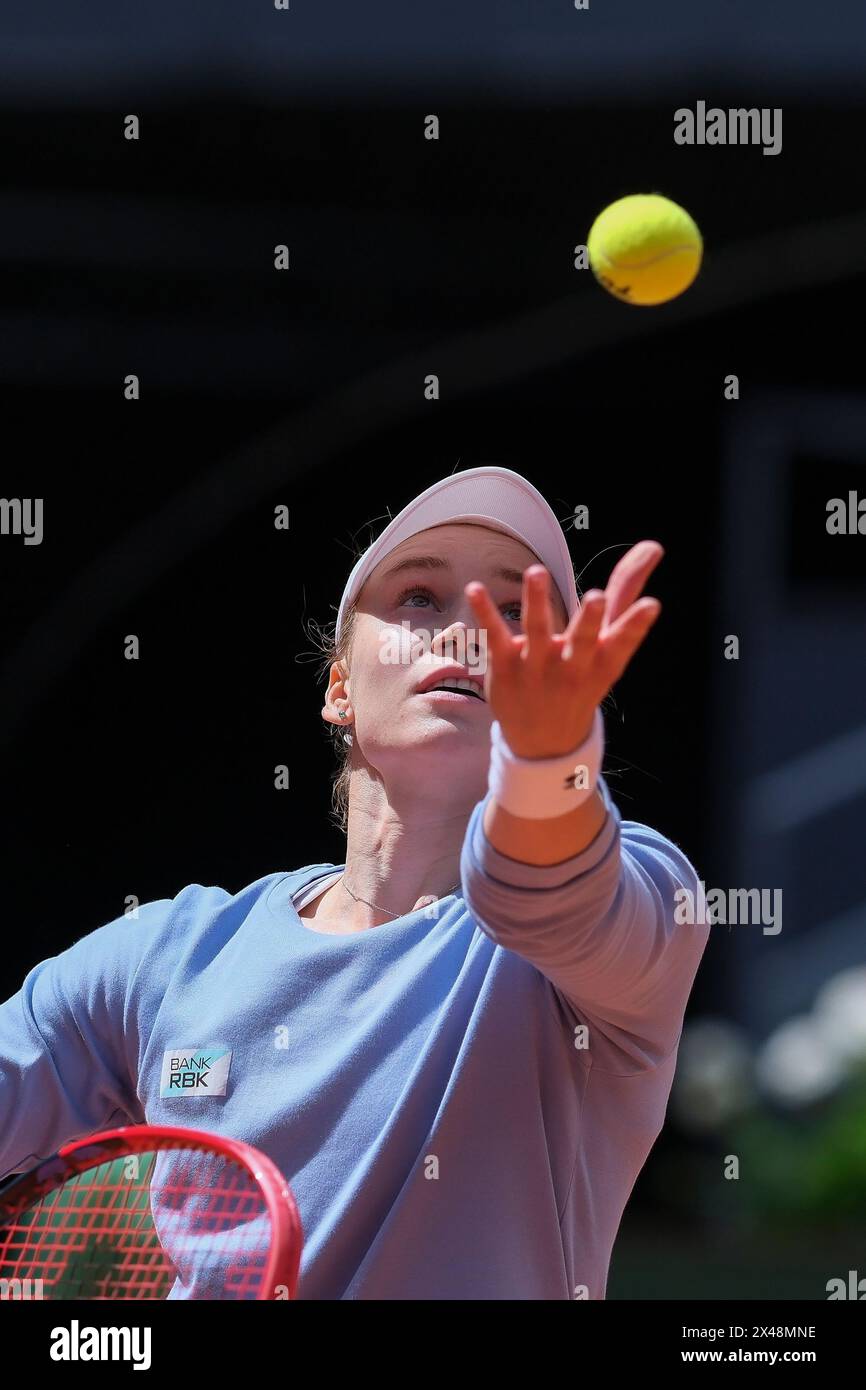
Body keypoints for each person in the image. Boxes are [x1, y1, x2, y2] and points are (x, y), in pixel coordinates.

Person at [0, 465, 710, 1300]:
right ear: (339, 687)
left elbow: (553, 888)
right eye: (418, 596)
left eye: (516, 612)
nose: (469, 633)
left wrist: (549, 756)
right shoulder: (164, 959)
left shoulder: (647, 895)